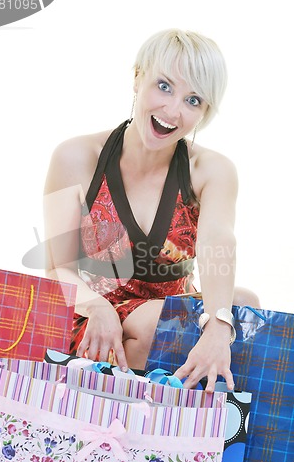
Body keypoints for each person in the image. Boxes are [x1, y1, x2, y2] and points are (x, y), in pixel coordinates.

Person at [43, 28, 260, 393]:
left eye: (194, 100)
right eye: (164, 86)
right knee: (150, 323)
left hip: (172, 318)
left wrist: (219, 325)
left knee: (245, 306)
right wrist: (97, 308)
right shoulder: (76, 157)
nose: (173, 110)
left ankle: (202, 424)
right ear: (137, 77)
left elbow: (218, 242)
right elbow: (56, 269)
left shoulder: (212, 171)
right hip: (96, 316)